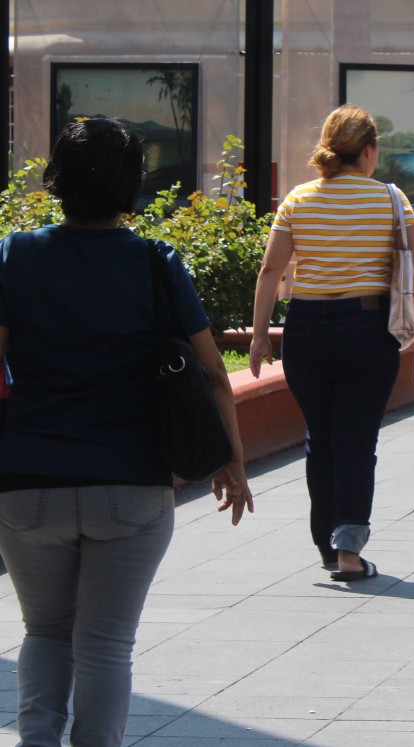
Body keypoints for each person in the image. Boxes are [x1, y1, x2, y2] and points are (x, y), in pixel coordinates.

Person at [0, 118, 252, 746]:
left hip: (27, 481)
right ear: (130, 185)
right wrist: (233, 462)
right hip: (132, 482)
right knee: (106, 644)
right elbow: (215, 372)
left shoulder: (15, 254)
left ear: (57, 178)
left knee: (44, 632)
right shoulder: (154, 261)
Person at [249, 105, 414, 582]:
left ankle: (327, 545)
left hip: (305, 330)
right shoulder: (392, 199)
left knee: (320, 439)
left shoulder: (298, 199)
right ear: (368, 151)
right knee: (355, 440)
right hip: (366, 329)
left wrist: (261, 334)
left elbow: (271, 271)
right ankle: (348, 549)